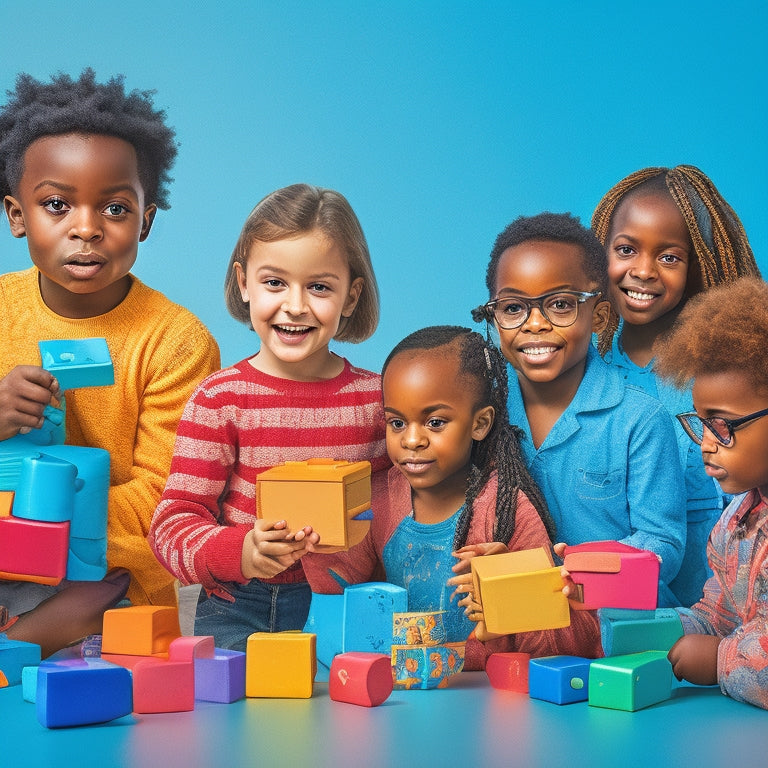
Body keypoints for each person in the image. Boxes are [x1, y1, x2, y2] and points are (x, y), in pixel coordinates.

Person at [0, 70, 220, 654]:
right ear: (17, 214)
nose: (87, 228)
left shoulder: (176, 341)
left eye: (115, 208)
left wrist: (39, 521)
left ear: (146, 220)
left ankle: (42, 634)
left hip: (108, 576)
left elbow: (166, 496)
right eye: (55, 204)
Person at [149, 183, 389, 652]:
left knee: (341, 720)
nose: (295, 305)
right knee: (235, 719)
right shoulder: (220, 399)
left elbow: (399, 507)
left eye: (319, 287)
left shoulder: (377, 400)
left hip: (345, 605)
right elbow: (173, 523)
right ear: (244, 282)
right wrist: (240, 551)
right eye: (274, 282)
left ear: (352, 296)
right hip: (239, 604)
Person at [302, 326, 603, 670]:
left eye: (435, 422)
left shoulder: (505, 512)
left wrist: (511, 589)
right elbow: (335, 601)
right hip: (399, 694)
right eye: (397, 423)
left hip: (482, 694)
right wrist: (316, 540)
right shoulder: (377, 500)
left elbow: (556, 648)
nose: (412, 440)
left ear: (480, 423)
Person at [472, 212, 686, 606]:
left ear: (599, 317)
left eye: (560, 304)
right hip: (519, 624)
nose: (534, 324)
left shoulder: (639, 419)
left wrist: (576, 571)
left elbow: (663, 545)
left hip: (614, 635)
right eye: (513, 308)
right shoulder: (483, 413)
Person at [591, 165, 761, 606]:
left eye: (669, 257)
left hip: (717, 594)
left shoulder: (718, 378)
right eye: (626, 249)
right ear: (598, 254)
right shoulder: (585, 370)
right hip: (612, 595)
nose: (643, 271)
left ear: (698, 266)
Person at [651, 277, 768, 710]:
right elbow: (716, 616)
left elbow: (724, 646)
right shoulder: (732, 523)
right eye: (700, 422)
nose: (704, 441)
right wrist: (644, 629)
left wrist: (720, 661)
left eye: (723, 425)